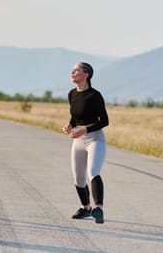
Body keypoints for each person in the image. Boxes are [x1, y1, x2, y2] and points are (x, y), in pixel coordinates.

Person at [63, 62, 109, 224]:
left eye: (76, 70)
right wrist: (70, 124)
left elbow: (104, 121)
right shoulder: (72, 94)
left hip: (95, 138)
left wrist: (85, 130)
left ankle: (99, 208)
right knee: (78, 178)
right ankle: (86, 208)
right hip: (79, 140)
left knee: (93, 171)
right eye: (73, 69)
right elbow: (75, 116)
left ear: (86, 74)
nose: (72, 72)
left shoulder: (95, 95)